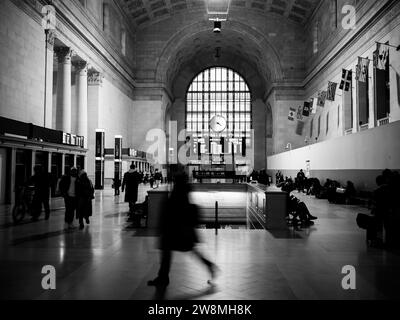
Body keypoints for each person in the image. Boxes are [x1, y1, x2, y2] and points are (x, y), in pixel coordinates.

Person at [148, 173, 219, 287]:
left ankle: (163, 278)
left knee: (168, 251)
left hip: (175, 229)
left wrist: (161, 226)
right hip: (183, 229)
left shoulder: (177, 192)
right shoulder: (185, 190)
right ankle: (210, 266)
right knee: (188, 251)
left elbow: (171, 210)